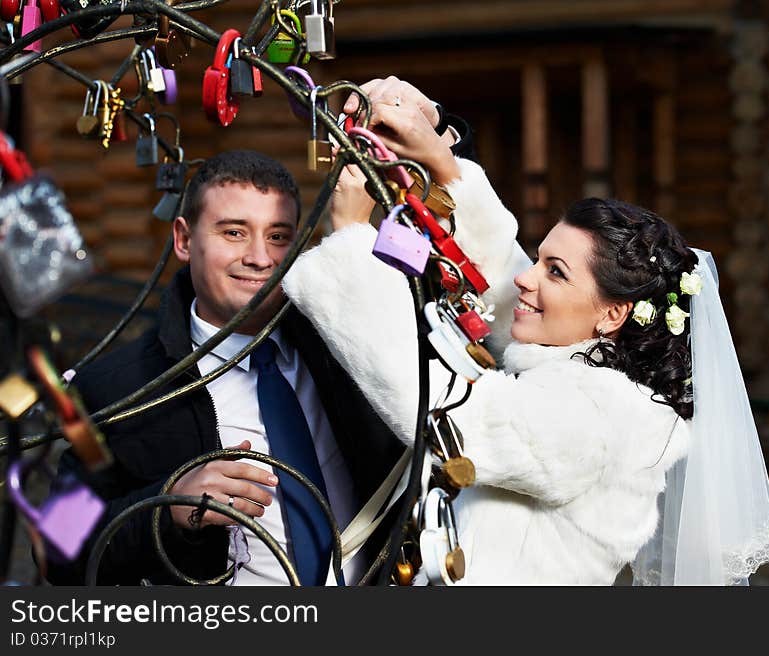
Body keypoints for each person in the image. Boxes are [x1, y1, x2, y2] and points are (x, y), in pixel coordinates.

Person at [281, 79, 769, 584]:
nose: (528, 276)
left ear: (613, 315)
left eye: (556, 271)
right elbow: (502, 287)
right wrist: (441, 164)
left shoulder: (604, 412)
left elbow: (458, 418)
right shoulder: (581, 369)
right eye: (539, 258)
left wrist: (349, 238)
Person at [45, 136, 473, 585]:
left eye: (278, 237)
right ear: (184, 240)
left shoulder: (346, 345)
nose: (258, 258)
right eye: (234, 232)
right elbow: (59, 548)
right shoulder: (113, 387)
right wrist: (167, 506)